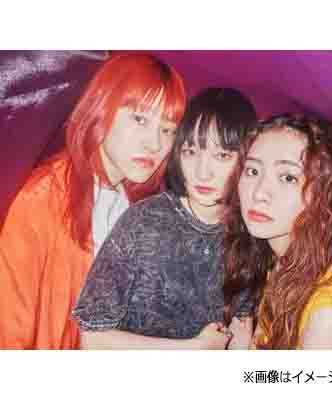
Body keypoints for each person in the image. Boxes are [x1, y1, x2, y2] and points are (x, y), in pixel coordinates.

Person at [0, 53, 186, 349]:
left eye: (167, 130)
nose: (154, 144)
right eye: (139, 119)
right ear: (102, 109)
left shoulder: (136, 204)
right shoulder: (40, 202)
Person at [72, 87, 258, 349]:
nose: (202, 172)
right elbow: (92, 339)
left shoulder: (249, 234)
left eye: (222, 156)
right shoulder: (144, 222)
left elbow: (240, 329)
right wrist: (192, 349)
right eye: (191, 151)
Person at [223, 114, 332, 349]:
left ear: (323, 193)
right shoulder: (282, 262)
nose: (259, 193)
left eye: (287, 177)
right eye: (253, 171)